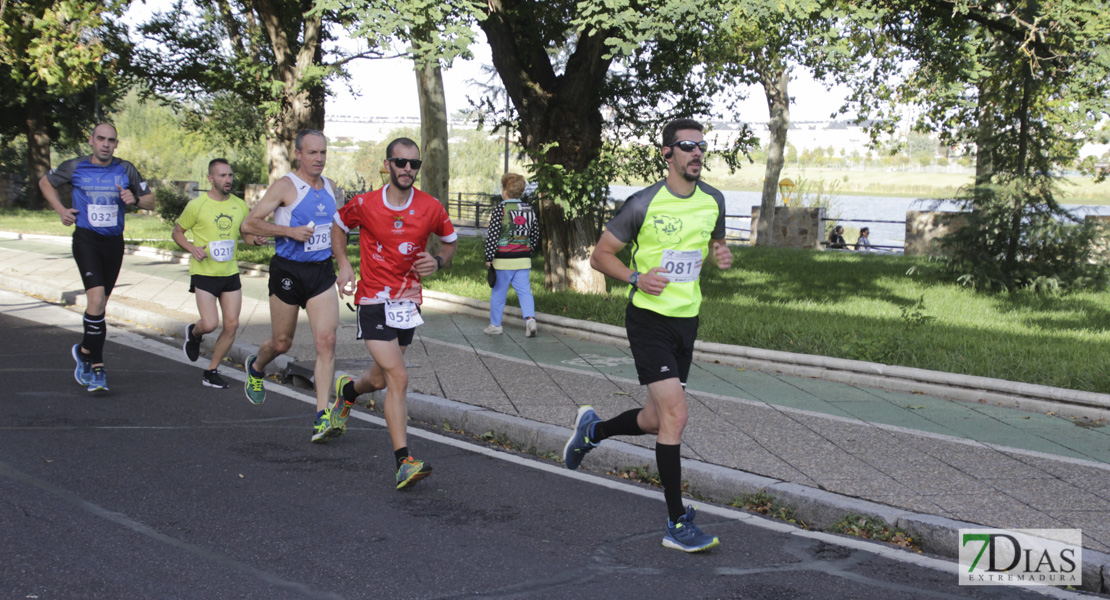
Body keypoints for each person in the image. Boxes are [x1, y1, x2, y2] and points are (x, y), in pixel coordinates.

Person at [564, 118, 731, 552]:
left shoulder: (714, 200)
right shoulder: (643, 203)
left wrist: (721, 252)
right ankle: (677, 522)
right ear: (667, 154)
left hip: (687, 321)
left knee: (656, 419)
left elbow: (713, 241)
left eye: (701, 146)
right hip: (649, 320)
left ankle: (592, 431)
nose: (697, 153)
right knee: (676, 416)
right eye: (687, 146)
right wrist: (636, 278)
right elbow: (600, 256)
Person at [329, 137, 458, 489]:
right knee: (399, 377)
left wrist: (439, 261)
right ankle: (403, 462)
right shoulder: (366, 204)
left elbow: (450, 240)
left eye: (413, 165)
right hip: (373, 301)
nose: (407, 170)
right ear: (387, 165)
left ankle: (348, 393)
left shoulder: (430, 207)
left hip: (408, 304)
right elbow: (338, 225)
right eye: (400, 163)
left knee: (381, 379)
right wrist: (344, 265)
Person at [240, 130, 341, 443]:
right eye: (312, 153)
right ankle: (256, 367)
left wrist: (345, 265)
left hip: (321, 272)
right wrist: (287, 231)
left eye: (323, 153)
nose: (319, 159)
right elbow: (249, 223)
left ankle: (322, 416)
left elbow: (337, 230)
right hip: (288, 271)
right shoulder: (286, 185)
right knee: (282, 343)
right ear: (299, 154)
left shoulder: (332, 188)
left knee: (326, 341)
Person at [39, 123, 155, 393]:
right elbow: (45, 182)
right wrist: (60, 210)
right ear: (91, 140)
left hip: (113, 243)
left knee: (100, 305)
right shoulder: (75, 166)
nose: (105, 144)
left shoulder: (125, 169)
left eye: (111, 140)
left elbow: (151, 201)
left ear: (116, 144)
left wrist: (135, 199)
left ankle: (83, 350)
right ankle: (97, 366)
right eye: (101, 139)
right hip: (86, 239)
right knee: (95, 298)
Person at [173, 158, 265, 388]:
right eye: (222, 176)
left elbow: (246, 235)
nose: (228, 180)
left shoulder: (239, 205)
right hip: (204, 272)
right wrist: (192, 248)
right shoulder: (197, 205)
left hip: (229, 272)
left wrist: (255, 241)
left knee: (232, 324)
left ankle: (211, 370)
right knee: (210, 323)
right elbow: (177, 232)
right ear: (210, 178)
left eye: (230, 175)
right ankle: (194, 333)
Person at [483, 172, 540, 337]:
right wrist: (528, 249)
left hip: (503, 260)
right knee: (524, 291)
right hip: (523, 259)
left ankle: (495, 325)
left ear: (505, 191)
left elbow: (493, 235)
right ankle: (530, 320)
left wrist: (489, 257)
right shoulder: (529, 209)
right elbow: (535, 234)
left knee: (499, 293)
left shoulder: (500, 209)